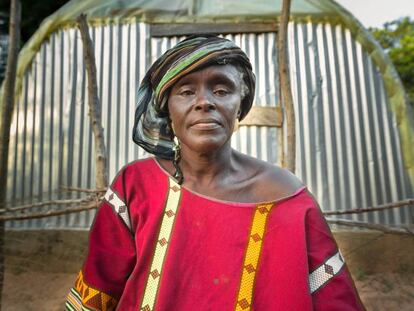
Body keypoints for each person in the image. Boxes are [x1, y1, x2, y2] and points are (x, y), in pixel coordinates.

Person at [66, 35, 365, 311]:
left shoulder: (286, 197)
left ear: (239, 104)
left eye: (222, 89)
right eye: (185, 91)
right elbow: (98, 290)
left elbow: (332, 298)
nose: (204, 102)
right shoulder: (136, 186)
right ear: (167, 108)